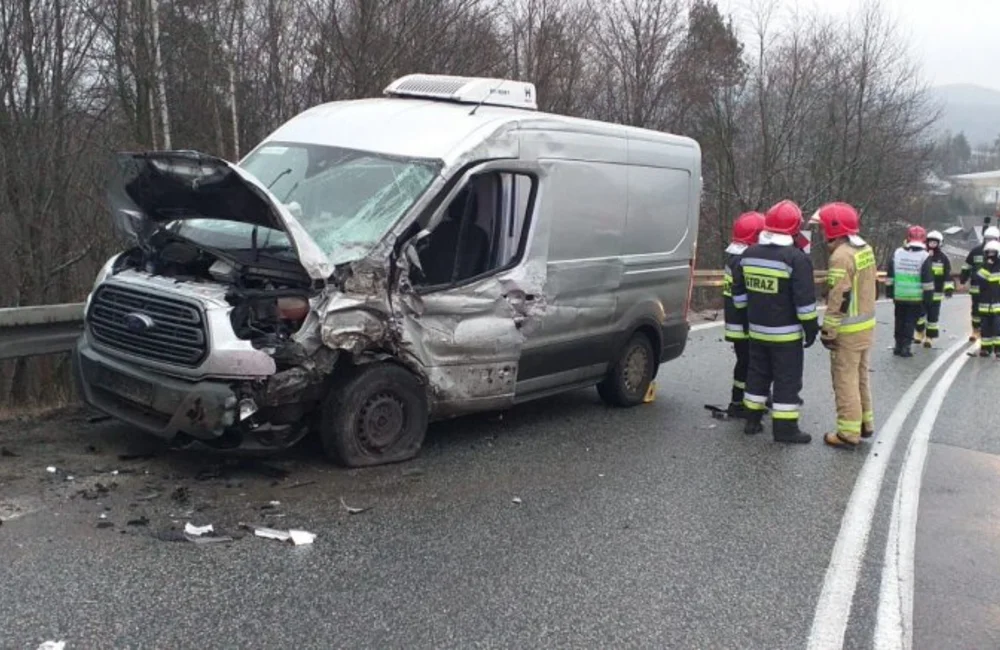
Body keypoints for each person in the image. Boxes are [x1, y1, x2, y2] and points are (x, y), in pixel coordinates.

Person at [731, 200, 818, 443]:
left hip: (756, 332)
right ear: (794, 228)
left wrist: (748, 315)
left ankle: (752, 422)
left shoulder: (748, 254)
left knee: (757, 374)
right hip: (786, 336)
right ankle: (785, 430)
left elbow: (739, 295)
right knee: (786, 380)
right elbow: (805, 302)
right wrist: (811, 329)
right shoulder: (795, 259)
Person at [810, 203, 877, 448]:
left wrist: (828, 331)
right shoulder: (865, 249)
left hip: (848, 331)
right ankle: (864, 424)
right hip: (865, 326)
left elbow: (838, 297)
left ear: (833, 228)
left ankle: (848, 434)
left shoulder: (840, 256)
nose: (820, 233)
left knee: (845, 379)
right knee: (860, 376)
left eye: (822, 228)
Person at [722, 211, 766, 417]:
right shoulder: (743, 260)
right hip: (744, 322)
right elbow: (746, 296)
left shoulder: (734, 256)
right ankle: (738, 402)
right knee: (748, 362)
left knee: (745, 361)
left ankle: (744, 399)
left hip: (735, 321)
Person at [885, 226, 934, 358]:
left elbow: (890, 275)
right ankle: (905, 347)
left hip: (899, 294)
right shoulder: (924, 256)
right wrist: (928, 298)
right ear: (924, 240)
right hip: (915, 296)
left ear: (907, 238)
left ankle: (898, 346)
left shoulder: (897, 253)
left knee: (899, 320)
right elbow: (927, 280)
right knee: (910, 322)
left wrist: (889, 292)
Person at [914, 230, 954, 348]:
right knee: (919, 315)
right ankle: (919, 332)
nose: (932, 244)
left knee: (933, 317)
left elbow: (948, 275)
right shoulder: (921, 254)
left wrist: (949, 288)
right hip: (921, 292)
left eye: (934, 242)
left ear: (939, 243)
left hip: (936, 293)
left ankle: (929, 338)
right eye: (930, 242)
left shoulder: (943, 258)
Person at [960, 225, 1000, 342]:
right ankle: (976, 330)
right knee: (976, 311)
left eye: (992, 238)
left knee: (995, 313)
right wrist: (963, 278)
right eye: (987, 238)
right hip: (977, 287)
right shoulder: (976, 251)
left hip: (995, 290)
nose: (989, 241)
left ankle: (992, 332)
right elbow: (967, 265)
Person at [974, 240, 1000, 357]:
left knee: (997, 327)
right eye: (988, 252)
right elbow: (980, 279)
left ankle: (998, 349)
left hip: (997, 304)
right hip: (984, 303)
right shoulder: (983, 266)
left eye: (993, 252)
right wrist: (987, 266)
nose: (990, 255)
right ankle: (985, 348)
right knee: (985, 327)